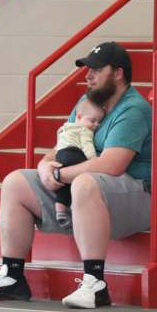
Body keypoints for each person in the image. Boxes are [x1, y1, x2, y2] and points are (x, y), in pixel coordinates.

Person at [0, 41, 157, 308]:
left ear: (118, 73)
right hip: (93, 193)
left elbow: (112, 165)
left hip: (145, 199)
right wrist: (45, 167)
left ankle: (95, 284)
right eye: (88, 70)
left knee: (84, 183)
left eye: (96, 70)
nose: (88, 76)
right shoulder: (87, 103)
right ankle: (12, 278)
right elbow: (63, 145)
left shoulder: (133, 109)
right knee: (15, 182)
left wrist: (60, 176)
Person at [53, 98, 104, 229]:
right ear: (79, 116)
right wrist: (93, 160)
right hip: (73, 153)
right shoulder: (84, 130)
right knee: (82, 176)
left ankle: (60, 209)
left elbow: (59, 144)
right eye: (92, 120)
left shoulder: (64, 128)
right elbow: (87, 145)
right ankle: (76, 206)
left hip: (60, 156)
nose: (96, 125)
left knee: (65, 183)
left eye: (99, 122)